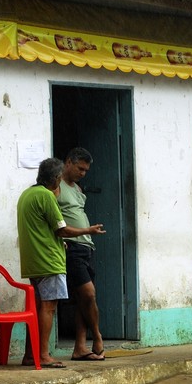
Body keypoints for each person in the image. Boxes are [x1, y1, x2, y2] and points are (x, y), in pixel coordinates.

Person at [17, 157, 105, 368]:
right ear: (57, 178)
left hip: (33, 260)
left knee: (38, 308)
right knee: (48, 307)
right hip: (49, 260)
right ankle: (44, 355)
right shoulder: (46, 196)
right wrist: (88, 230)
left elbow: (42, 229)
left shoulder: (26, 194)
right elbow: (62, 229)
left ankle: (31, 355)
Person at [57, 147, 106, 361]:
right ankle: (97, 336)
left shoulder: (77, 188)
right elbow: (52, 217)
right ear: (68, 162)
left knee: (82, 299)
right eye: (80, 168)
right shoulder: (55, 185)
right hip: (71, 246)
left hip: (86, 247)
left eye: (86, 170)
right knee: (88, 293)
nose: (83, 173)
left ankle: (79, 347)